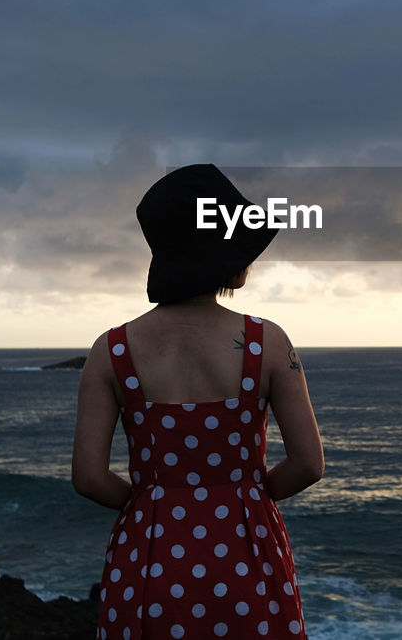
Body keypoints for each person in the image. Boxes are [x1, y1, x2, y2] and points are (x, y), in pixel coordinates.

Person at [72, 164, 324, 639]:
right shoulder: (266, 343)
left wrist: (152, 502)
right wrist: (246, 495)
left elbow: (88, 477)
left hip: (149, 557)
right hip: (247, 553)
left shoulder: (112, 350)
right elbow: (308, 464)